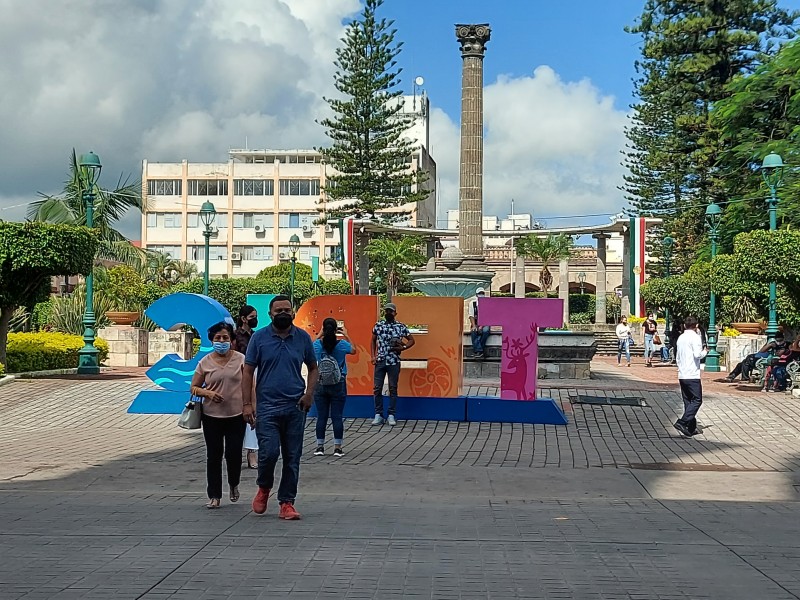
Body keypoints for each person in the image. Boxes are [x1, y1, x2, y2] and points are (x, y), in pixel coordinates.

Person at [242, 295, 318, 520]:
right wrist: (247, 404)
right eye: (278, 310)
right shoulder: (259, 338)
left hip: (295, 407)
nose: (283, 313)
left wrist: (309, 394)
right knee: (269, 453)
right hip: (267, 407)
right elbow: (247, 371)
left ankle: (287, 502)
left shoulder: (303, 338)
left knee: (293, 456)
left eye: (287, 309)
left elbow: (313, 368)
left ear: (293, 312)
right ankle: (264, 487)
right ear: (270, 314)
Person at [189, 321, 246, 509]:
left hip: (236, 415)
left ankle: (233, 484)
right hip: (212, 416)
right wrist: (208, 393)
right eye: (217, 338)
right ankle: (214, 495)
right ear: (212, 340)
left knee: (234, 453)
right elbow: (194, 387)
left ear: (231, 340)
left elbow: (250, 385)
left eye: (225, 338)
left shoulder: (241, 360)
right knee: (214, 456)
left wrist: (251, 407)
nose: (221, 341)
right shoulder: (204, 362)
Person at [312, 318, 356, 457]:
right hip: (338, 383)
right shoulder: (342, 344)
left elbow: (310, 347)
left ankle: (320, 447)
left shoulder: (318, 345)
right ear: (336, 329)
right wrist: (347, 334)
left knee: (321, 417)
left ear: (324, 329)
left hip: (321, 383)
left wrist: (319, 334)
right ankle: (337, 447)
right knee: (337, 416)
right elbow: (354, 350)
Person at [371, 302, 415, 426]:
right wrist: (373, 356)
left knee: (392, 388)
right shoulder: (378, 325)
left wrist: (403, 347)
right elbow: (373, 340)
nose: (388, 313)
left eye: (390, 311)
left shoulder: (400, 326)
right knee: (377, 388)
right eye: (386, 311)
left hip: (394, 361)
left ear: (395, 313)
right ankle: (378, 414)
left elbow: (411, 340)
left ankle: (391, 414)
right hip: (380, 360)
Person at [233, 304, 259, 469]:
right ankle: (235, 453)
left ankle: (252, 453)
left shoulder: (257, 336)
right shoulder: (235, 337)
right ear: (243, 319)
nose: (254, 319)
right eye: (251, 317)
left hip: (256, 376)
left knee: (253, 414)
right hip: (239, 377)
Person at [674, 315, 708, 437]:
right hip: (692, 373)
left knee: (688, 400)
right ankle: (682, 422)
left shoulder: (681, 338)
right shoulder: (695, 337)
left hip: (682, 373)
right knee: (697, 399)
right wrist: (705, 351)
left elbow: (677, 356)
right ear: (696, 326)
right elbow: (698, 355)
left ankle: (691, 427)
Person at [469, 287, 491, 358]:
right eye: (479, 293)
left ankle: (478, 351)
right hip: (475, 323)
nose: (481, 295)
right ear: (476, 294)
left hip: (485, 324)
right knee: (473, 331)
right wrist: (474, 326)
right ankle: (480, 350)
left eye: (482, 293)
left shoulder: (487, 303)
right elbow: (471, 315)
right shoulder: (473, 303)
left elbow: (488, 317)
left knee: (485, 331)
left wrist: (481, 326)